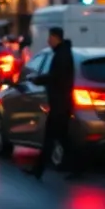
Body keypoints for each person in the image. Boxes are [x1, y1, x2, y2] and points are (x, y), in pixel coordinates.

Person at [26, 27, 78, 180]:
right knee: (61, 138)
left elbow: (56, 77)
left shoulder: (61, 55)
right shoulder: (63, 53)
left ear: (56, 38)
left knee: (52, 138)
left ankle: (39, 170)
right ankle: (74, 168)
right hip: (61, 103)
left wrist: (38, 79)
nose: (48, 41)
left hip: (60, 104)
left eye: (50, 38)